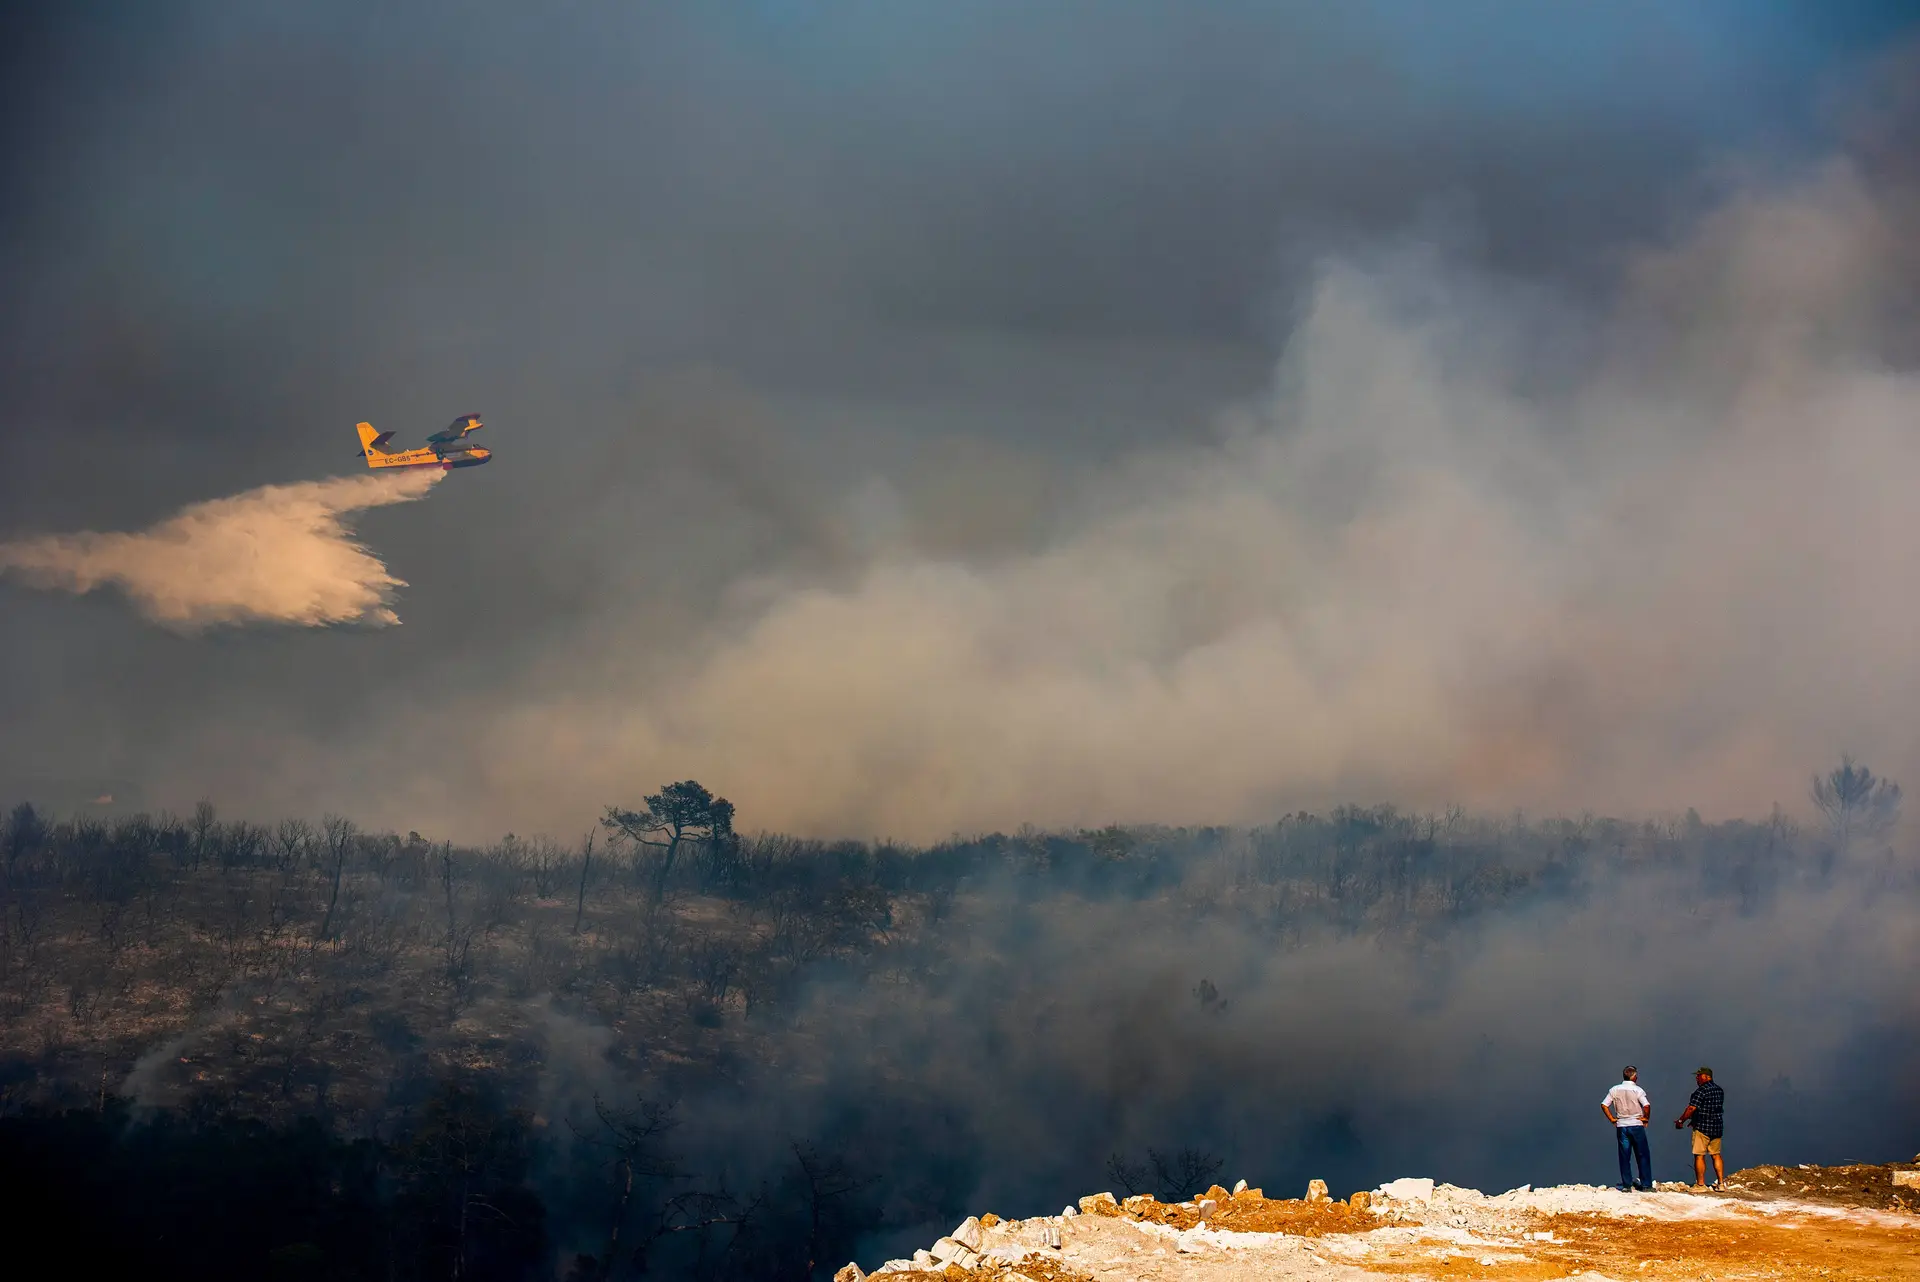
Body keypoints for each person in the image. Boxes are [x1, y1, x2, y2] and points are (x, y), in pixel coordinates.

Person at [1601, 1065, 1653, 1190]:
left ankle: (1626, 1185)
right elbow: (1646, 1105)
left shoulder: (1614, 1089)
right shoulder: (1638, 1090)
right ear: (1634, 1077)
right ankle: (1646, 1184)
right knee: (1642, 1155)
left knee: (1624, 1155)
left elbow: (1604, 1105)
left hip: (1622, 1125)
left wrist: (1612, 1119)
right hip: (1636, 1124)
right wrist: (1646, 1118)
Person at [1673, 1066, 1725, 1189]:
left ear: (1706, 1076)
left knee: (1699, 1155)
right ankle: (1721, 1183)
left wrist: (1681, 1120)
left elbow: (1692, 1108)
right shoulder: (1719, 1090)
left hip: (1702, 1127)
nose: (1697, 1078)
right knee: (1716, 1154)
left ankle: (1700, 1184)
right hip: (1717, 1127)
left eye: (1699, 1076)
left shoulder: (1701, 1091)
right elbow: (1712, 1108)